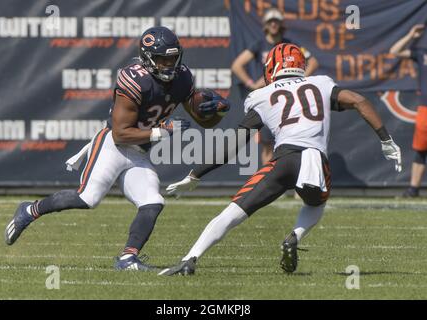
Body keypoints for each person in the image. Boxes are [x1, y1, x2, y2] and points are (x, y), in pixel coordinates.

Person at [159, 43, 402, 275]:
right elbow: (360, 101)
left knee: (233, 213)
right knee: (316, 205)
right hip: (315, 162)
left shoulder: (261, 96)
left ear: (272, 67)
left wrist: (195, 174)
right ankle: (295, 236)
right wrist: (386, 140)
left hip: (283, 161)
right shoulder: (321, 84)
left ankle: (189, 259)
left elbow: (233, 144)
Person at [4, 26, 230, 271]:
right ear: (147, 58)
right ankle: (30, 209)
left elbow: (202, 120)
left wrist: (216, 110)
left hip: (139, 151)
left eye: (172, 58)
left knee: (153, 201)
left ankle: (127, 258)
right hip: (113, 145)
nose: (168, 64)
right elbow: (121, 133)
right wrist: (162, 131)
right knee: (87, 198)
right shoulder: (135, 79)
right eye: (162, 59)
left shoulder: (183, 77)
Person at [231, 8, 319, 165]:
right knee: (267, 146)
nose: (273, 24)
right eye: (270, 21)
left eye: (276, 21)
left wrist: (300, 79)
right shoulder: (259, 45)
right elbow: (237, 65)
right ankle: (269, 183)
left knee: (292, 143)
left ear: (281, 24)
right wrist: (252, 84)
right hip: (268, 99)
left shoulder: (290, 45)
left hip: (288, 99)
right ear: (265, 24)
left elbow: (313, 62)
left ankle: (290, 183)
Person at [390, 24, 426, 197]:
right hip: (425, 108)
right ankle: (413, 189)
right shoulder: (422, 53)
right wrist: (411, 35)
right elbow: (395, 51)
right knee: (421, 148)